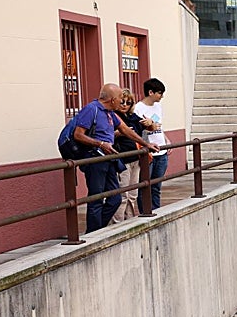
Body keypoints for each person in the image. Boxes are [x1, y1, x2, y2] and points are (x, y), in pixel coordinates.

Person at [70, 84, 156, 232]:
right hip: (95, 159)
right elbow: (78, 135)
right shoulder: (92, 109)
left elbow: (125, 130)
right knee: (96, 198)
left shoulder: (110, 113)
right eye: (120, 98)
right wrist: (100, 144)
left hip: (109, 158)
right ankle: (93, 233)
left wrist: (146, 144)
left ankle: (99, 229)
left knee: (115, 198)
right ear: (112, 99)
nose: (122, 102)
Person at [131, 78, 169, 210]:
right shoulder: (138, 108)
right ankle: (146, 212)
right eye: (159, 93)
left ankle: (157, 210)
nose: (161, 96)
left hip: (162, 151)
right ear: (150, 92)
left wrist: (166, 139)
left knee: (156, 186)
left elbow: (160, 126)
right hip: (147, 152)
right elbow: (136, 131)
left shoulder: (158, 106)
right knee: (145, 186)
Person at [113, 89, 151, 221]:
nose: (124, 105)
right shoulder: (113, 116)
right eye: (122, 102)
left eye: (128, 103)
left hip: (136, 158)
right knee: (122, 194)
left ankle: (129, 218)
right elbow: (106, 135)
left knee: (133, 194)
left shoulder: (133, 117)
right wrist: (118, 133)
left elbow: (151, 127)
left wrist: (150, 123)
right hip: (122, 160)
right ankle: (118, 222)